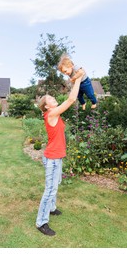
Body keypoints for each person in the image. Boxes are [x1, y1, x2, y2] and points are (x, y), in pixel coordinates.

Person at [36, 76, 83, 236]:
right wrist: (78, 80)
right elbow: (70, 100)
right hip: (52, 158)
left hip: (57, 156)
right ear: (46, 106)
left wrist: (73, 81)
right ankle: (41, 222)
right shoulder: (51, 114)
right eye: (50, 98)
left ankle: (51, 208)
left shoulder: (54, 114)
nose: (54, 98)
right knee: (50, 189)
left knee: (57, 183)